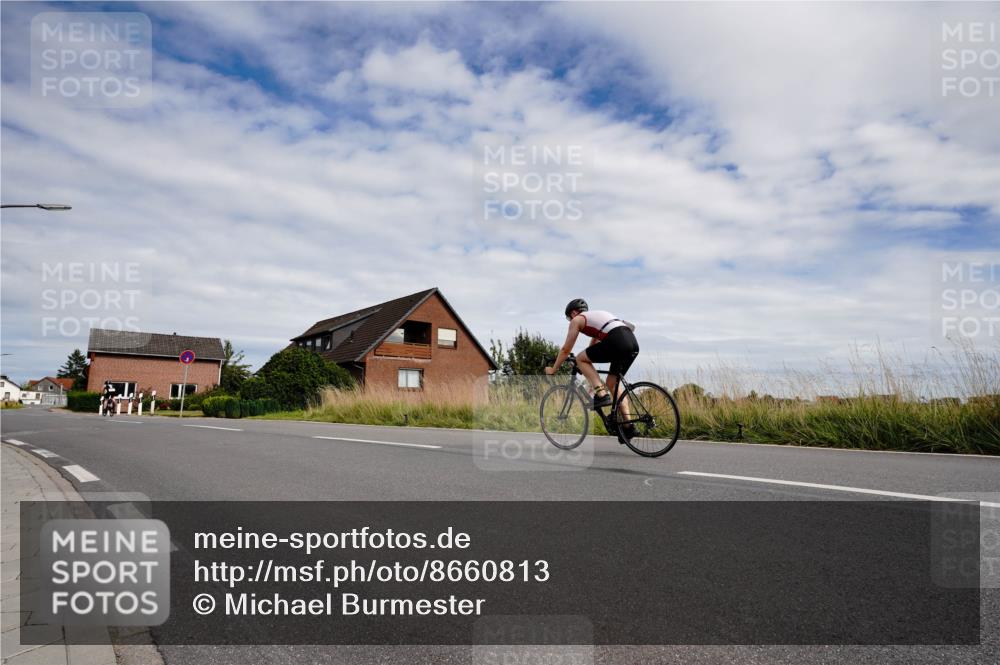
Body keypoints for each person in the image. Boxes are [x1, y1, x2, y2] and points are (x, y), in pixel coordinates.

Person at [545, 298, 640, 439]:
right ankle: (628, 426)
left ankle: (601, 395)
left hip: (617, 340)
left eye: (569, 318)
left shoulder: (577, 320)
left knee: (579, 358)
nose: (570, 320)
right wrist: (586, 362)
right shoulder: (598, 316)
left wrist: (553, 369)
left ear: (573, 313)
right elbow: (592, 347)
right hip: (632, 342)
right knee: (612, 384)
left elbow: (566, 349)